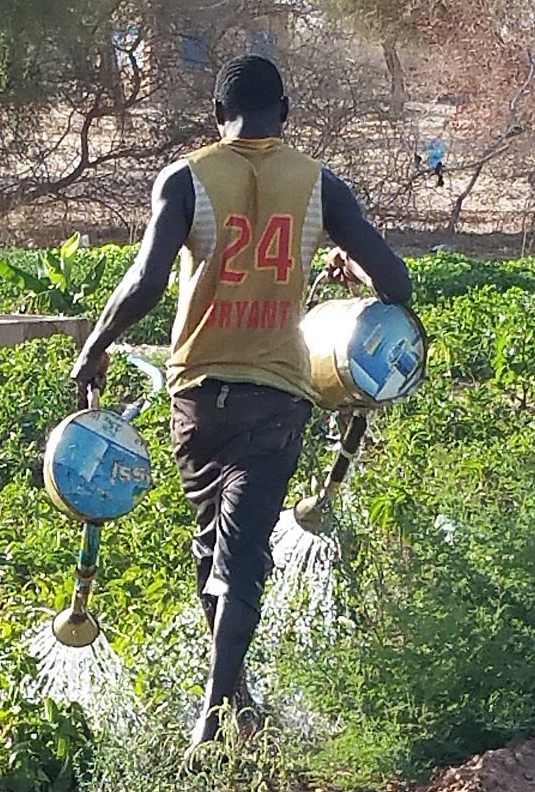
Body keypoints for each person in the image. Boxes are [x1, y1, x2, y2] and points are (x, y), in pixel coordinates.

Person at [69, 54, 412, 762]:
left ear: (215, 116)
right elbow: (397, 280)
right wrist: (352, 283)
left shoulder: (187, 178)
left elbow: (146, 280)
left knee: (215, 549)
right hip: (277, 398)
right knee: (240, 551)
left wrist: (97, 344)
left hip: (197, 395)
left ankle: (230, 698)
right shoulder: (321, 185)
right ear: (284, 113)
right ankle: (221, 708)